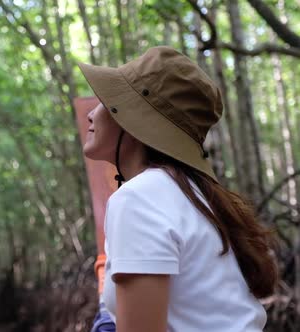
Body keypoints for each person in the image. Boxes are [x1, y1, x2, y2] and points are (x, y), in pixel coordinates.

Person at [79, 46, 278, 332]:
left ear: (134, 119)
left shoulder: (139, 198)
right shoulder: (195, 194)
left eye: (105, 101)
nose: (91, 114)